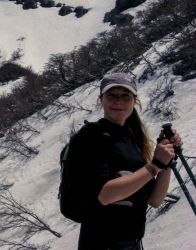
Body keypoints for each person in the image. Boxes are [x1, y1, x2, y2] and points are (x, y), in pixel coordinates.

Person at [71, 73, 183, 250]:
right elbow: (105, 195)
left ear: (134, 101)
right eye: (111, 95)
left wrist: (166, 161)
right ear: (101, 99)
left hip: (133, 242)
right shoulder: (92, 135)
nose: (118, 101)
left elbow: (154, 200)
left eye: (125, 95)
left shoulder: (130, 139)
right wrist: (155, 165)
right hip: (102, 242)